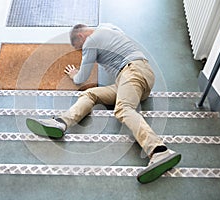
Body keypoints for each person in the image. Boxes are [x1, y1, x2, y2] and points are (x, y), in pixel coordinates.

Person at [26, 24, 181, 184]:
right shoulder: (109, 29)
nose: (82, 51)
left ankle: (159, 150)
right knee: (90, 93)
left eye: (80, 49)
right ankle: (61, 122)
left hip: (132, 72)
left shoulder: (90, 41)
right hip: (138, 77)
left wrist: (74, 74)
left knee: (123, 109)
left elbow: (81, 78)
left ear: (80, 36)